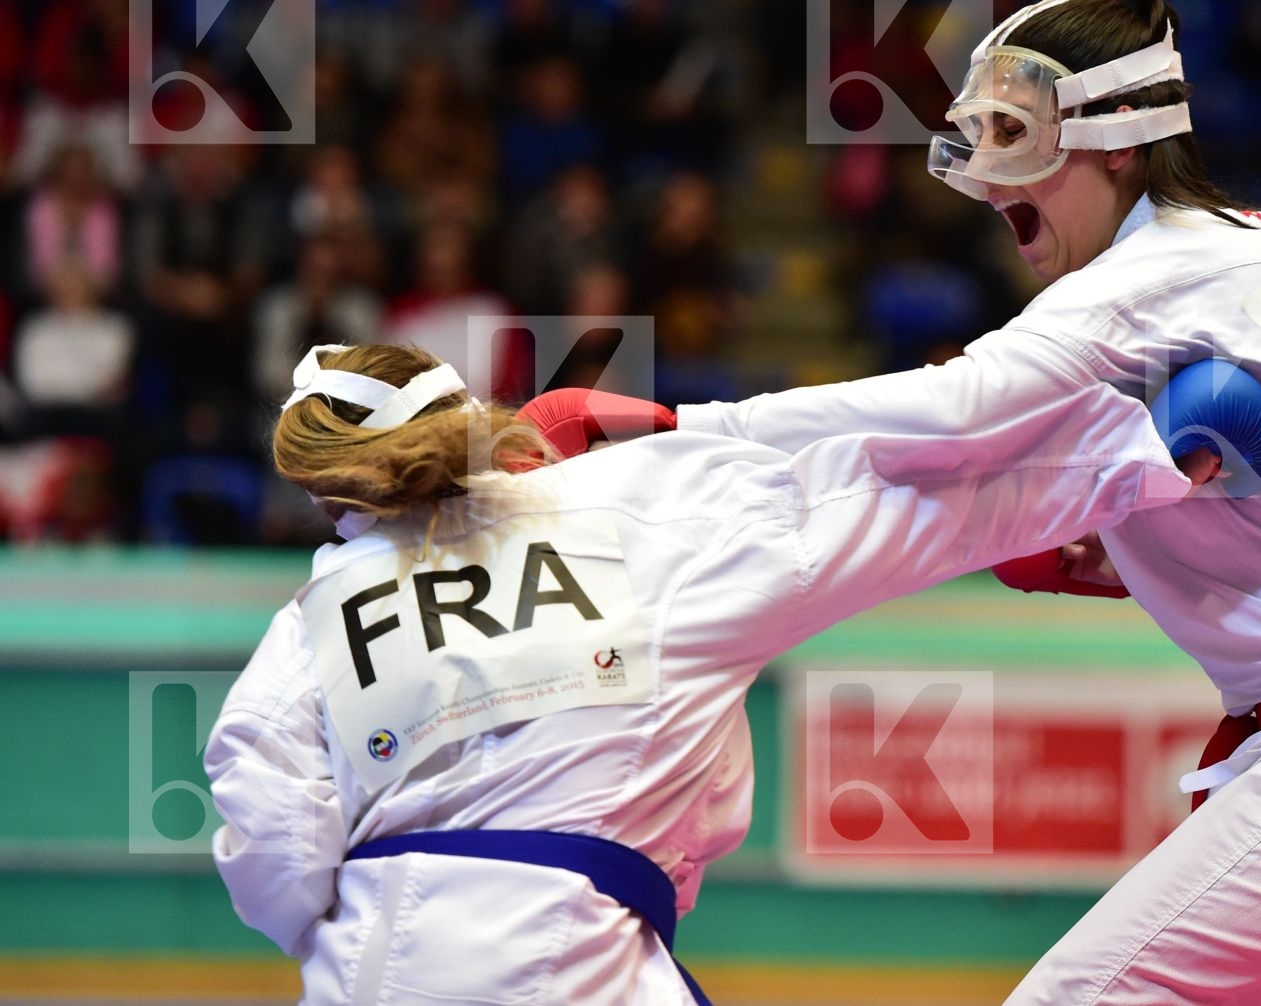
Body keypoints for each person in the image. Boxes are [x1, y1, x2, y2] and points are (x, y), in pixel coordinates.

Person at [678, 0, 1261, 1004]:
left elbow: (944, 420)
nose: (990, 178)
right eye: (978, 135)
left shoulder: (1132, 288)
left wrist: (682, 427)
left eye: (1015, 133)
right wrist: (1144, 545)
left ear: (1118, 141)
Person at [203, 341, 1197, 1004]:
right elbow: (863, 486)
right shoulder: (635, 513)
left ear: (319, 481)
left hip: (368, 966)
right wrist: (1140, 460)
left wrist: (358, 923)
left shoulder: (309, 625)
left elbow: (271, 843)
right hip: (573, 954)